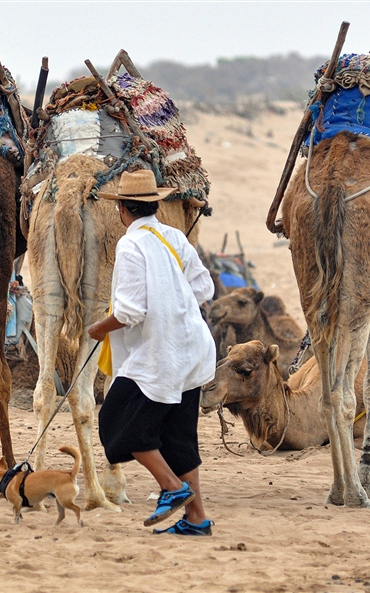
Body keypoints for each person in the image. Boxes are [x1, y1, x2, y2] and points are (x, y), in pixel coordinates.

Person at [88, 169, 216, 536]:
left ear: (122, 210)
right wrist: (174, 304)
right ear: (155, 205)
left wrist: (99, 329)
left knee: (117, 423)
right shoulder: (173, 236)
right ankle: (196, 519)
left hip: (161, 352)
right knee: (179, 437)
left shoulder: (130, 245)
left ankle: (172, 487)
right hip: (193, 348)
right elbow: (203, 288)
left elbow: (130, 311)